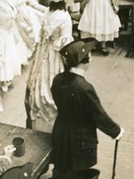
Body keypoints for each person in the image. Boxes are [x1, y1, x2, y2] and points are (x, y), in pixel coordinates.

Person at [51, 39, 124, 178]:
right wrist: (116, 131)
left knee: (62, 168)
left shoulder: (58, 79)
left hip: (60, 132)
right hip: (79, 139)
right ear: (85, 62)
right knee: (77, 169)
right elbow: (97, 114)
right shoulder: (84, 88)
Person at [26, 0, 73, 132]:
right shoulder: (64, 17)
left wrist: (32, 4)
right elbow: (66, 44)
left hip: (45, 54)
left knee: (42, 81)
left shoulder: (50, 12)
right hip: (57, 55)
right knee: (56, 83)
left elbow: (43, 11)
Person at [6, 0, 46, 64]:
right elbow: (13, 3)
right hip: (14, 15)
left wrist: (46, 10)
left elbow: (32, 3)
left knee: (34, 31)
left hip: (26, 13)